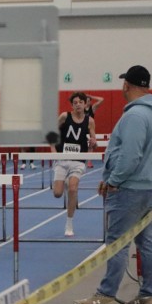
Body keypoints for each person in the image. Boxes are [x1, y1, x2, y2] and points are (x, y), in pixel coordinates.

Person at [75, 65, 152, 304]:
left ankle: (106, 295)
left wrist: (113, 180)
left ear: (126, 85)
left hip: (130, 189)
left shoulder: (135, 116)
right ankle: (148, 296)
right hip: (149, 187)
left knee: (117, 242)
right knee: (146, 241)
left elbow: (130, 156)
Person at [53, 92, 95, 237]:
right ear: (72, 105)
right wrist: (53, 152)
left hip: (78, 160)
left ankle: (69, 224)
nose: (78, 105)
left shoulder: (90, 121)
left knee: (73, 188)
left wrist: (91, 147)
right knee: (57, 193)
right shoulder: (64, 116)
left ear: (85, 104)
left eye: (80, 102)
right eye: (75, 103)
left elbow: (93, 141)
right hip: (62, 159)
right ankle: (65, 182)